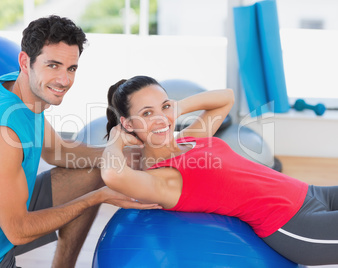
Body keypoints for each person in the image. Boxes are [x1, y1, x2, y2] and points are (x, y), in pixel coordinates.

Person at [0, 16, 161, 268]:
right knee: (87, 191)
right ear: (25, 62)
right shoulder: (0, 132)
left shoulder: (20, 88)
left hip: (3, 218)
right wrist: (96, 198)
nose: (64, 80)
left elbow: (57, 151)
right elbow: (18, 231)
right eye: (53, 65)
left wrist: (122, 150)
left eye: (71, 68)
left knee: (92, 172)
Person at [101, 75, 338, 266]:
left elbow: (226, 98)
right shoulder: (163, 177)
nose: (161, 119)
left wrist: (176, 108)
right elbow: (113, 174)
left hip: (312, 193)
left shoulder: (191, 138)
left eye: (164, 106)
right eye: (146, 113)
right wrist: (115, 139)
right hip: (294, 224)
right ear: (128, 124)